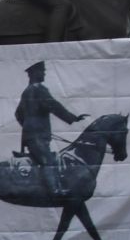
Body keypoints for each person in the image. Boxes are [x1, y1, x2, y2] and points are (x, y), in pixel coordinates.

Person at [15, 61, 83, 197]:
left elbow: (18, 114)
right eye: (42, 71)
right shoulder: (39, 89)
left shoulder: (26, 92)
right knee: (48, 161)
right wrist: (72, 118)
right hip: (38, 137)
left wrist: (28, 126)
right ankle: (54, 191)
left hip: (32, 136)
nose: (44, 73)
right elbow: (54, 106)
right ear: (34, 73)